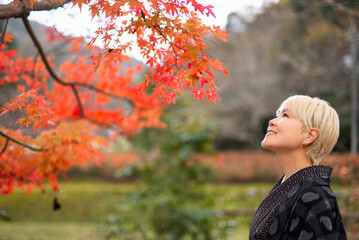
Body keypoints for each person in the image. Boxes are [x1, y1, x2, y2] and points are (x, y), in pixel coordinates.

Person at [249, 95, 347, 240]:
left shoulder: (314, 197)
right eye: (277, 115)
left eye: (285, 115)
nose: (272, 121)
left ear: (310, 135)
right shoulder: (294, 189)